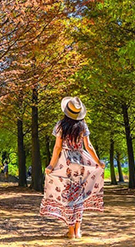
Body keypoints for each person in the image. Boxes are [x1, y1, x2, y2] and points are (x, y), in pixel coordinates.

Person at [40, 97, 105, 239]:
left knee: (69, 196)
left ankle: (70, 231)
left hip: (65, 163)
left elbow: (57, 147)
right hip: (80, 163)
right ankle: (78, 231)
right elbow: (89, 146)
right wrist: (98, 162)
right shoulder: (83, 125)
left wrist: (51, 165)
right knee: (79, 196)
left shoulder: (61, 125)